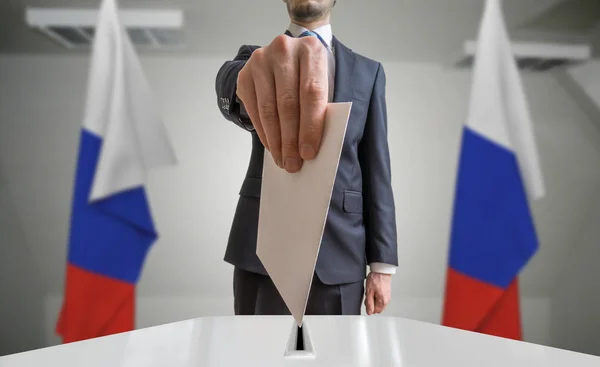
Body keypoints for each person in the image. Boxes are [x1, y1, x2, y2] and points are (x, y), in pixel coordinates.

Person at [215, 0, 398, 317]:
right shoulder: (255, 60)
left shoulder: (368, 73)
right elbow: (232, 83)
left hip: (341, 253)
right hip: (263, 251)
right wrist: (247, 78)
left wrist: (382, 266)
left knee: (336, 359)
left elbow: (377, 172)